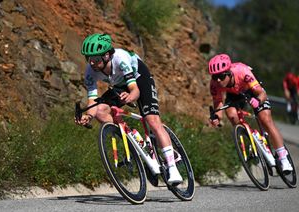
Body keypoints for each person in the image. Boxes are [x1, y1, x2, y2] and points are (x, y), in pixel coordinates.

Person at [75, 33, 183, 184]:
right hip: (120, 86)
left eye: (95, 59)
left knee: (152, 121)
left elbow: (135, 90)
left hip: (139, 79)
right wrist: (88, 116)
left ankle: (172, 167)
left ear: (107, 56)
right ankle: (134, 138)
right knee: (100, 111)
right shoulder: (90, 71)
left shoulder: (121, 58)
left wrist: (130, 97)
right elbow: (92, 101)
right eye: (89, 59)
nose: (91, 63)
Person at [208, 53, 293, 172]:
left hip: (252, 90)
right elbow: (218, 103)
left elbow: (261, 93)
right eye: (214, 76)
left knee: (265, 119)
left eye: (221, 76)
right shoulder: (214, 84)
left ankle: (283, 158)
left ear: (229, 72)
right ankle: (251, 140)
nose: (217, 80)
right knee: (232, 115)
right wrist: (217, 117)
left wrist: (258, 101)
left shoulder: (242, 71)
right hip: (234, 94)